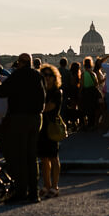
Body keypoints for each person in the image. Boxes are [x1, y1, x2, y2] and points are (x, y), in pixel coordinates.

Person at [0, 53, 45, 204]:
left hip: (20, 118)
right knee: (32, 156)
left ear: (20, 63)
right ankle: (34, 192)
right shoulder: (38, 76)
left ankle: (21, 191)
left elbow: (2, 93)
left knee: (20, 157)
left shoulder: (17, 76)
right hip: (36, 118)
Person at [37, 64, 63, 198]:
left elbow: (47, 107)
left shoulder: (57, 92)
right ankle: (46, 185)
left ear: (54, 78)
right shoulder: (40, 91)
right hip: (41, 127)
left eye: (49, 76)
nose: (46, 78)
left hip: (51, 127)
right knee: (44, 158)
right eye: (44, 75)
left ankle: (55, 185)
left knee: (53, 157)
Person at [80, 58, 101, 131]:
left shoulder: (83, 74)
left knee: (85, 108)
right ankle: (91, 125)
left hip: (86, 92)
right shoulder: (93, 74)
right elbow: (96, 84)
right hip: (92, 93)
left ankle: (85, 125)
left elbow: (82, 84)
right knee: (92, 109)